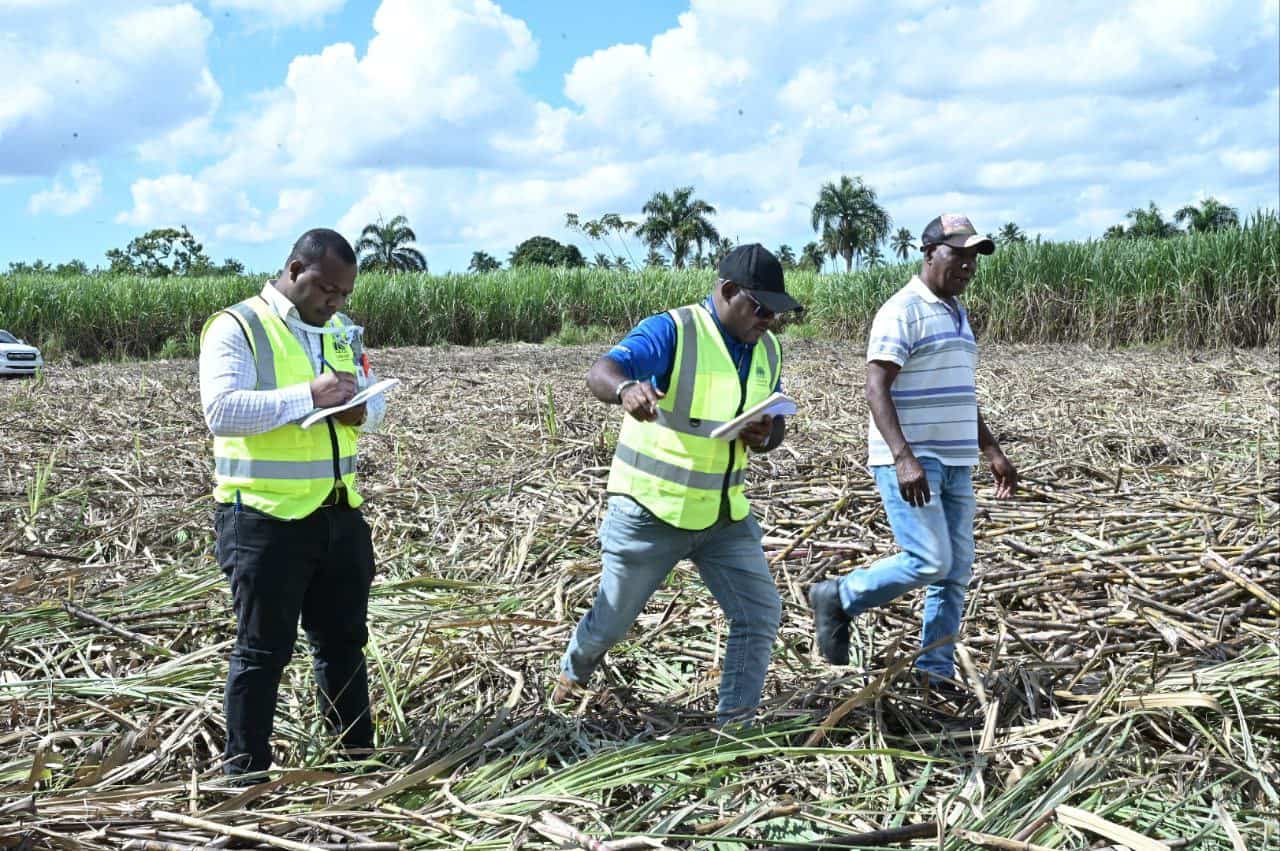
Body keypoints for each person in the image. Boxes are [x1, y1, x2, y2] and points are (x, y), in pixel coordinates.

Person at [553, 244, 803, 725]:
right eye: (762, 307)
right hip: (651, 510)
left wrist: (766, 434)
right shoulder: (673, 330)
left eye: (777, 311)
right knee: (612, 622)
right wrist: (627, 389)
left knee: (759, 613)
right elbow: (602, 371)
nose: (770, 319)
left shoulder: (768, 350)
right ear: (728, 292)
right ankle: (572, 675)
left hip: (723, 515)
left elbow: (774, 425)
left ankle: (735, 726)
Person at [199, 228, 387, 778]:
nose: (335, 301)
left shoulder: (343, 334)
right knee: (263, 652)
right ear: (295, 269)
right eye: (327, 288)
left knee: (344, 644)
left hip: (337, 512)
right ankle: (246, 776)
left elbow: (370, 406)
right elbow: (223, 411)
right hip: (262, 518)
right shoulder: (238, 327)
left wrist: (360, 411)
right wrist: (309, 396)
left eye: (344, 293)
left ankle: (356, 760)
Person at [808, 214, 1018, 692]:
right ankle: (839, 596)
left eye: (972, 258)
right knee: (929, 560)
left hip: (956, 462)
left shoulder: (958, 316)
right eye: (957, 254)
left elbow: (960, 393)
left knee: (954, 573)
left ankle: (935, 674)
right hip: (912, 463)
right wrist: (903, 456)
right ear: (929, 254)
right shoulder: (901, 310)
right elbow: (876, 387)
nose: (966, 265)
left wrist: (991, 450)